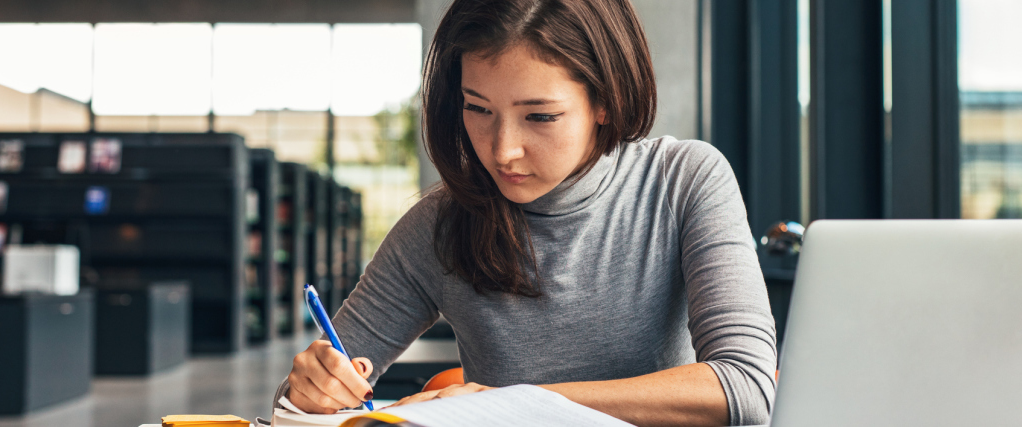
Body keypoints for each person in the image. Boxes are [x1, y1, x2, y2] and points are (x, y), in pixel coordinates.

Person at [277, 0, 777, 425]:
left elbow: (745, 387)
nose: (502, 151)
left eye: (539, 116)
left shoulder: (683, 180)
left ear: (605, 100)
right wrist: (308, 393)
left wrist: (511, 404)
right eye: (478, 109)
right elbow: (296, 405)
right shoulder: (438, 225)